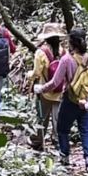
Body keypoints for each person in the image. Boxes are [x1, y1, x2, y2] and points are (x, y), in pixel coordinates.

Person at [33, 28, 88, 171]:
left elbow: (55, 82)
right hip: (87, 101)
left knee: (62, 129)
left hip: (70, 99)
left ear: (70, 42)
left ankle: (65, 156)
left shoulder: (67, 59)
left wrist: (41, 88)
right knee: (86, 130)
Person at [28, 22, 66, 150]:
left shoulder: (41, 52)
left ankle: (38, 141)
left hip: (44, 89)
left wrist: (29, 76)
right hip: (59, 90)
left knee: (42, 117)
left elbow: (36, 72)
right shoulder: (64, 52)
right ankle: (58, 142)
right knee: (58, 118)